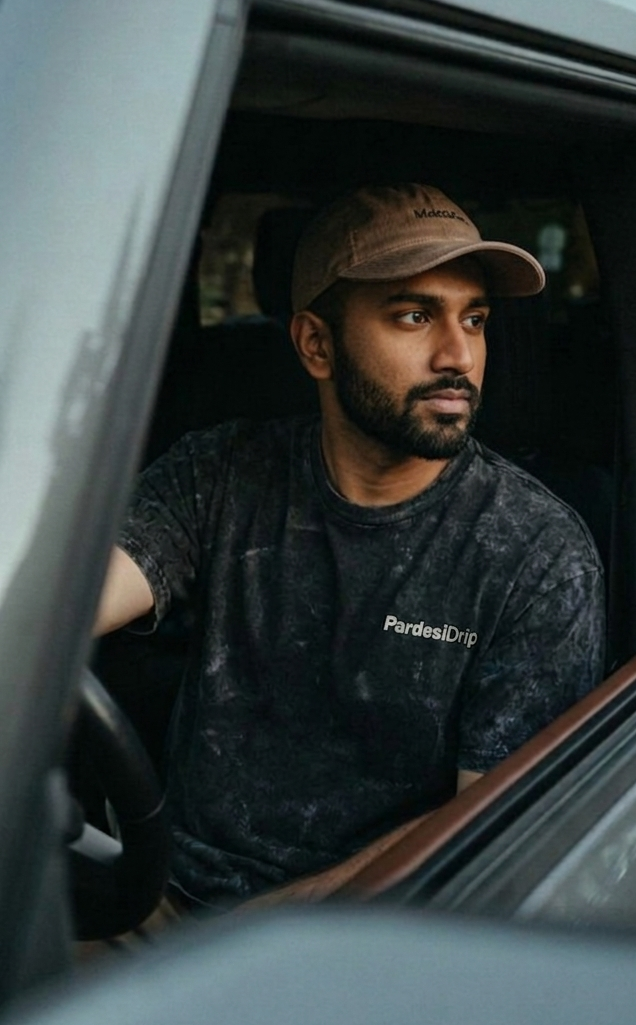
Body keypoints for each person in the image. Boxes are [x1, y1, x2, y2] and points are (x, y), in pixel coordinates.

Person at [95, 182, 605, 911]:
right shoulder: (224, 471)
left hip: (364, 935)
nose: (459, 354)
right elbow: (56, 602)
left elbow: (485, 838)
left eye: (476, 318)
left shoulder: (536, 555)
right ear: (316, 344)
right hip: (155, 890)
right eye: (414, 315)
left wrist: (262, 928)